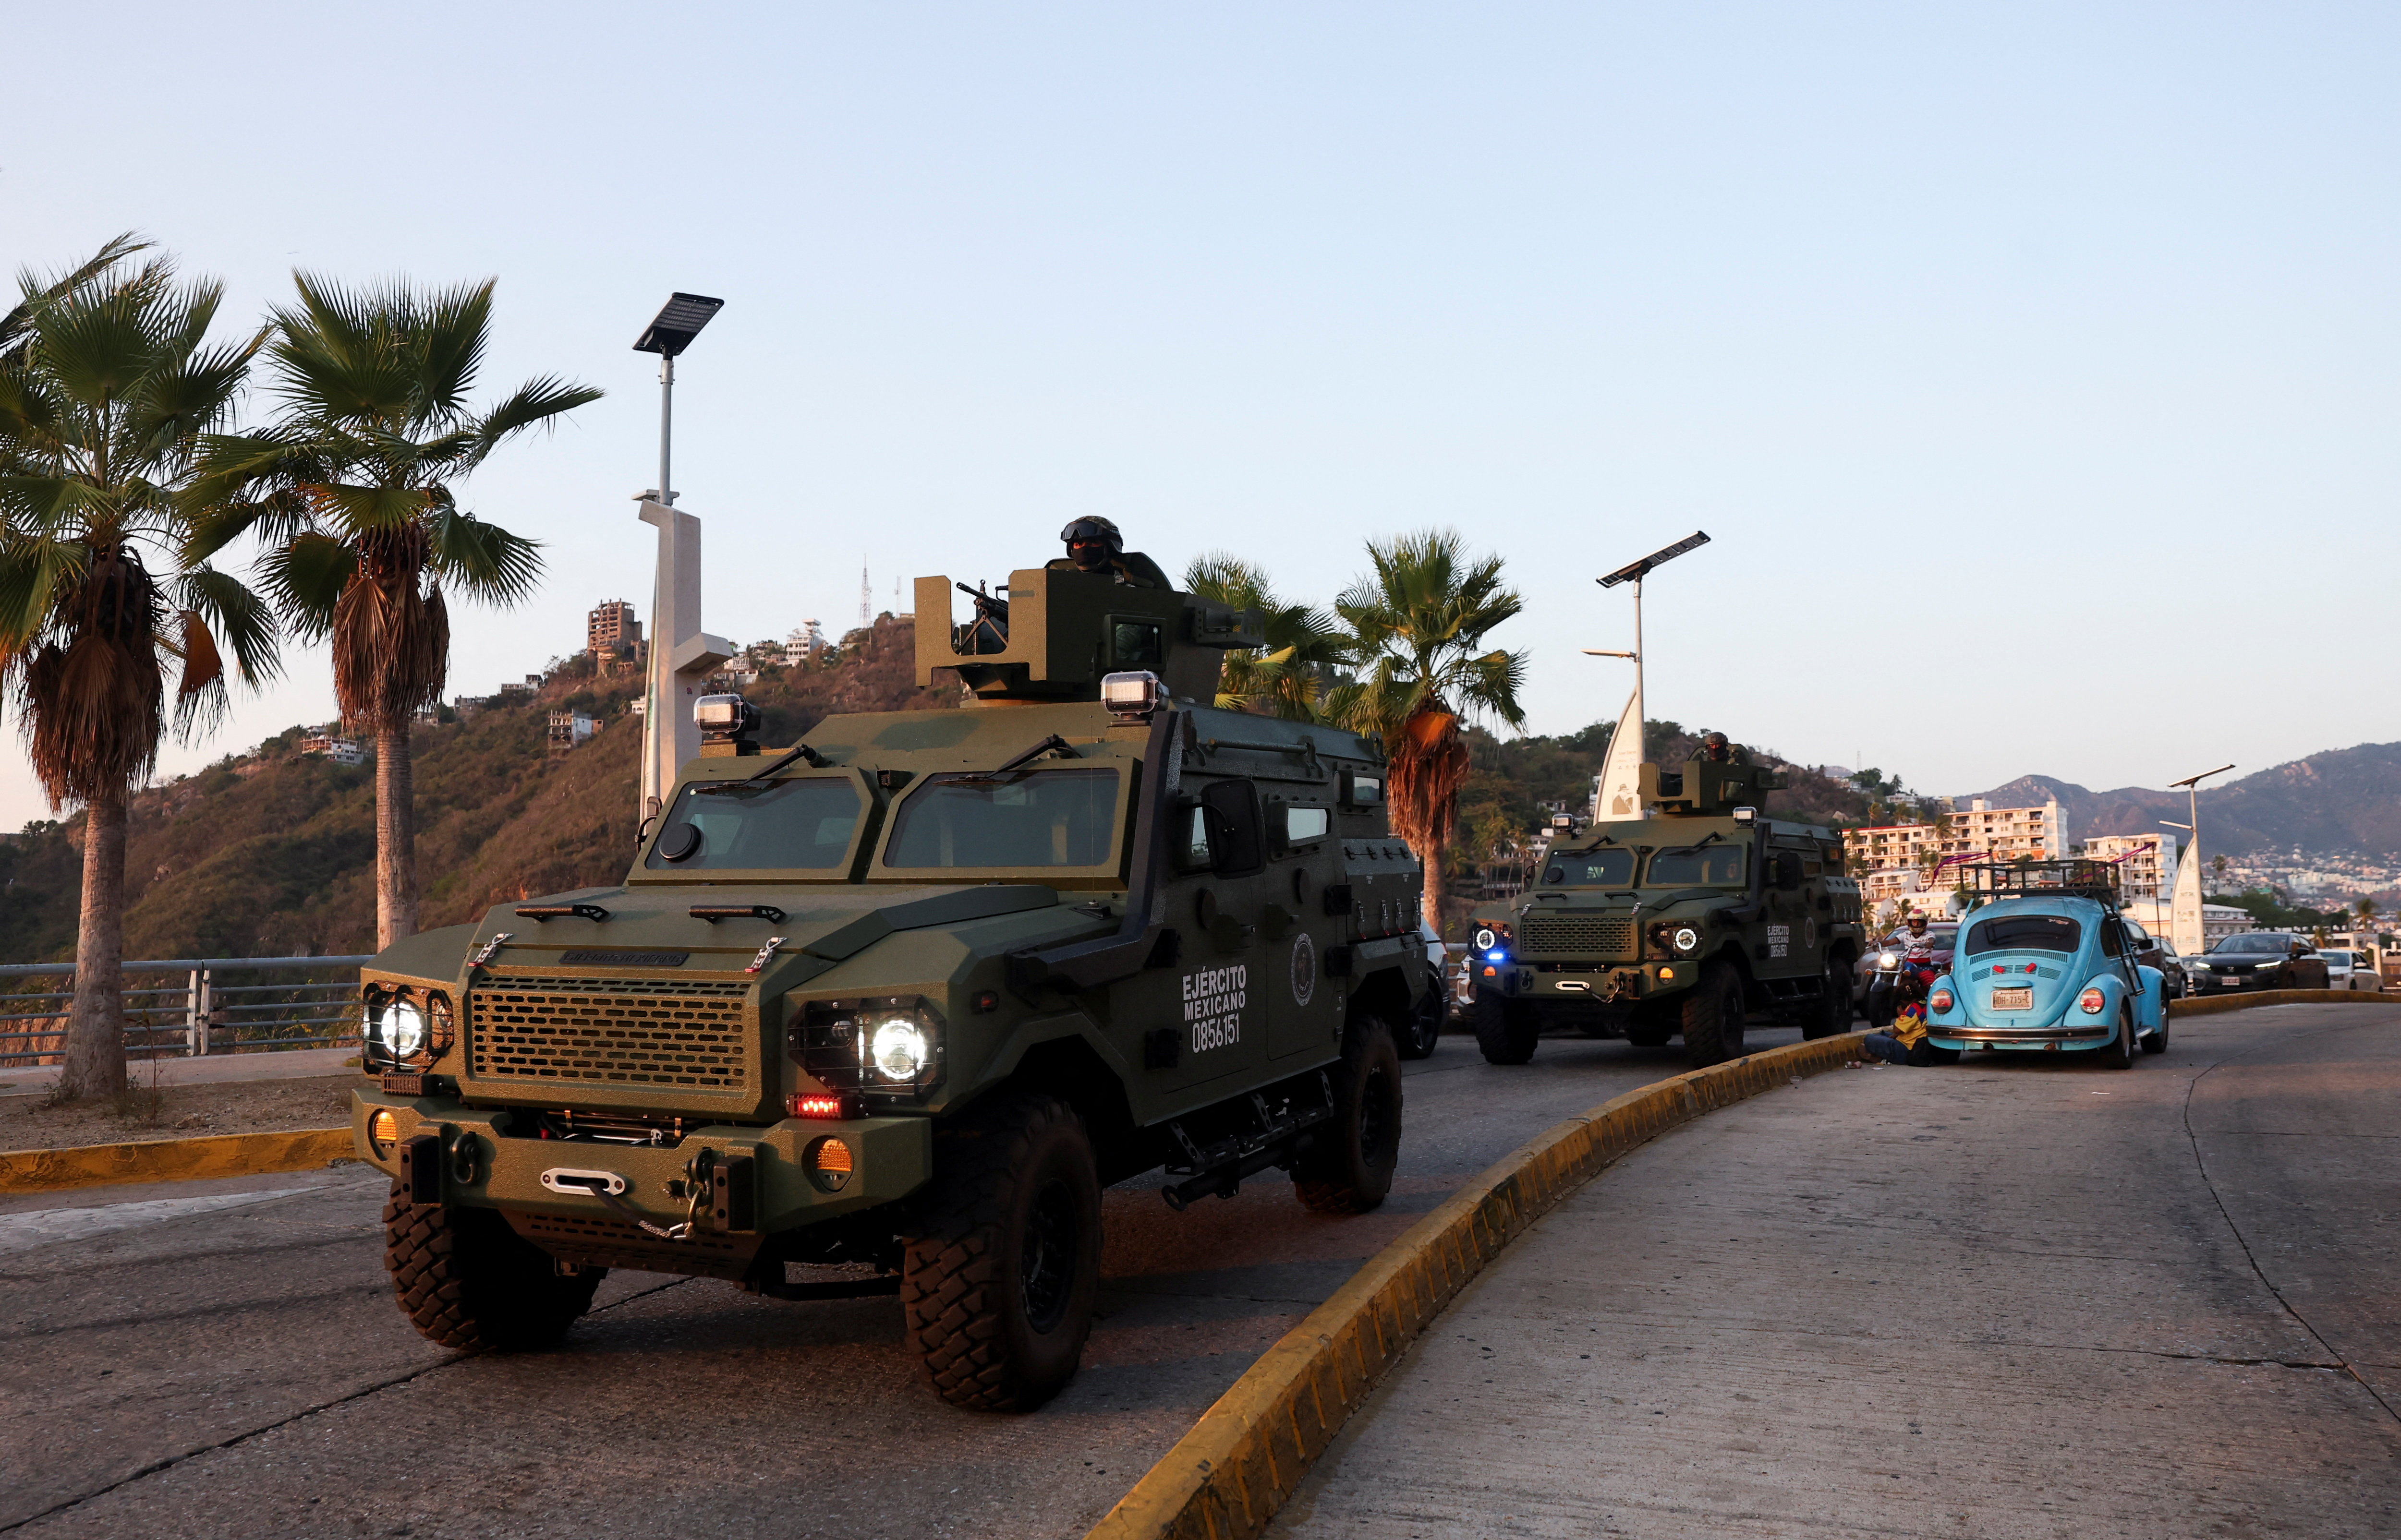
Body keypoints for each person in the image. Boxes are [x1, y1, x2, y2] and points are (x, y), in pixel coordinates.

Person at [1861, 965, 1958, 1066]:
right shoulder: (1925, 1003)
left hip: (1908, 1050)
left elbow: (1897, 1030)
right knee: (1882, 1034)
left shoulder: (1912, 1010)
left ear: (1903, 1000)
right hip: (1916, 1042)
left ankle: (1879, 1056)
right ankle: (1878, 1057)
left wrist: (1901, 1015)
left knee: (1870, 1038)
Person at [1050, 517, 1171, 590]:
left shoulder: (1129, 593)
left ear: (1110, 548)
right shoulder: (1063, 588)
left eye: (1093, 543)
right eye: (1078, 544)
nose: (1084, 549)